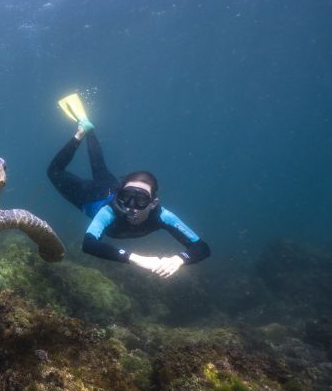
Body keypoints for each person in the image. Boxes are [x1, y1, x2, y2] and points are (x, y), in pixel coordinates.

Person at [47, 107, 210, 278]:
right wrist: (135, 259)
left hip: (110, 186)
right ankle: (81, 133)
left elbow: (202, 247)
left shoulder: (162, 216)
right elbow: (89, 244)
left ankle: (89, 129)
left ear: (153, 203)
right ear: (120, 194)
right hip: (92, 195)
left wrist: (179, 259)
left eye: (140, 200)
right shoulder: (109, 211)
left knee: (99, 167)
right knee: (54, 172)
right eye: (126, 197)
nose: (132, 206)